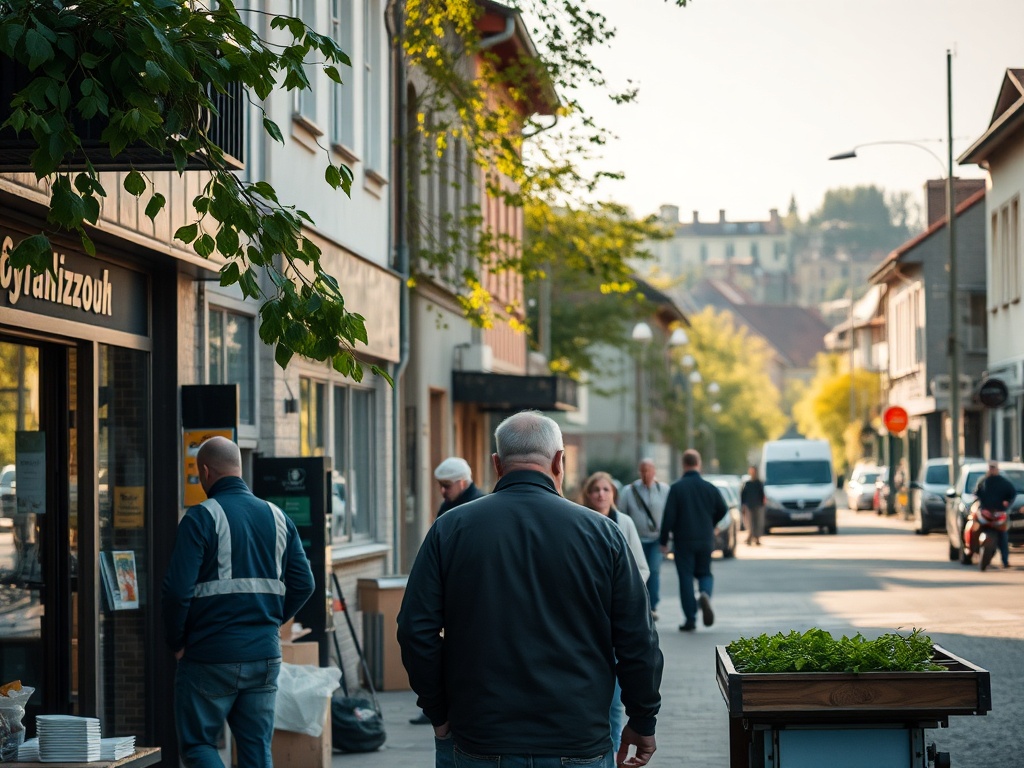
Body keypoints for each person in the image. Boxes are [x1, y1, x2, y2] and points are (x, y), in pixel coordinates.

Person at [397, 411, 663, 768]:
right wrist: (642, 718)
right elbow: (638, 637)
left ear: (496, 463)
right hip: (578, 737)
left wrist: (439, 711)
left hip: (480, 736)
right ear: (558, 461)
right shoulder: (602, 534)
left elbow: (416, 630)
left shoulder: (450, 529)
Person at [162, 436, 315, 768]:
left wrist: (176, 642)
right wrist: (271, 620)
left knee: (199, 745)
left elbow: (176, 592)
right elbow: (305, 584)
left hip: (209, 655)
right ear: (238, 468)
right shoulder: (278, 517)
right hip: (264, 655)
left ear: (205, 471)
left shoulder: (200, 518)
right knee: (256, 749)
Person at [409, 455, 488, 724]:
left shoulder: (474, 507)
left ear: (463, 482)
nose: (443, 491)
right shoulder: (451, 506)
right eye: (440, 486)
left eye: (447, 485)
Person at [581, 471, 650, 754]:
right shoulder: (580, 522)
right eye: (596, 489)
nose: (601, 494)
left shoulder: (625, 523)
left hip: (617, 619)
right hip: (589, 618)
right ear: (588, 494)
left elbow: (642, 569)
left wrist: (625, 594)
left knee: (614, 701)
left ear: (613, 494)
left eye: (606, 489)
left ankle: (611, 756)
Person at [659, 449, 727, 632]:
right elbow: (723, 508)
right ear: (699, 464)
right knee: (705, 573)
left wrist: (663, 540)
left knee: (686, 578)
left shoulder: (677, 488)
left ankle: (690, 619)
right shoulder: (709, 488)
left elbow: (669, 517)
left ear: (684, 465)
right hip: (705, 538)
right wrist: (711, 523)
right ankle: (704, 594)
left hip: (683, 540)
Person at [618, 458, 669, 620]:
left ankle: (652, 606)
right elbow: (621, 514)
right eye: (643, 470)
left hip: (655, 539)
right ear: (639, 472)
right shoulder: (629, 491)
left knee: (653, 571)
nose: (646, 474)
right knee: (637, 573)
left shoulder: (664, 490)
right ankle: (640, 604)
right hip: (636, 540)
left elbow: (669, 515)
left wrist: (668, 540)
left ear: (654, 471)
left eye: (649, 470)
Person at [973, 460, 1017, 570]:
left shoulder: (1004, 483)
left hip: (999, 515)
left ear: (997, 469)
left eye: (994, 468)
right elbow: (976, 494)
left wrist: (1007, 502)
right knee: (975, 530)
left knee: (1003, 536)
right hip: (985, 514)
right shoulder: (983, 481)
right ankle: (972, 552)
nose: (992, 470)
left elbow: (1012, 494)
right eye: (990, 468)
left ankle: (1005, 560)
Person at [740, 465, 766, 546]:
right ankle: (750, 537)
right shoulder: (747, 483)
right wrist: (743, 505)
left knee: (757, 522)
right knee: (750, 522)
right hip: (749, 505)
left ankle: (756, 538)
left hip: (758, 505)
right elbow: (743, 495)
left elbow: (762, 494)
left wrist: (762, 504)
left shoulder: (758, 483)